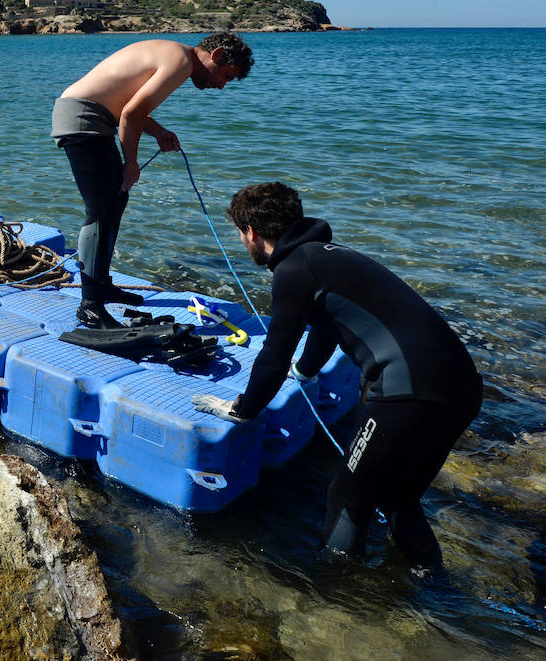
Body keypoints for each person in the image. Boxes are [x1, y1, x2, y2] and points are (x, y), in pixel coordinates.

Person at [193, 182, 482, 570]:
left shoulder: (293, 270)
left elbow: (274, 355)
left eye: (240, 235)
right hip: (462, 385)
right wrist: (307, 372)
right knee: (398, 495)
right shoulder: (330, 257)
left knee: (348, 496)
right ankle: (432, 588)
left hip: (406, 390)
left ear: (251, 233)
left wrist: (243, 409)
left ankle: (337, 600)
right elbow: (326, 326)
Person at [51, 33, 253, 328]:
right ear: (218, 54)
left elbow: (128, 105)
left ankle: (102, 286)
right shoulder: (181, 61)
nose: (221, 85)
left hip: (92, 116)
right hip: (83, 117)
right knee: (102, 207)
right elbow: (130, 114)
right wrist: (131, 162)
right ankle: (90, 305)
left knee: (116, 199)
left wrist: (158, 132)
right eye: (225, 76)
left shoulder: (174, 54)